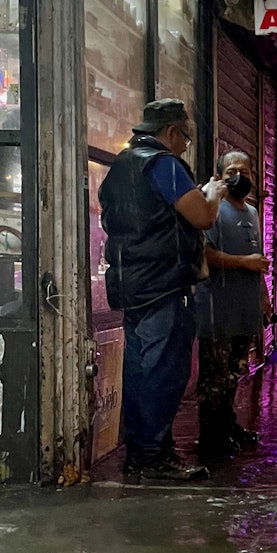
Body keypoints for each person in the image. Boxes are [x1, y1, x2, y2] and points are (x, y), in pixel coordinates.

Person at [99, 98, 227, 481]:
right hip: (163, 285)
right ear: (170, 132)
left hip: (133, 285)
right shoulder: (163, 164)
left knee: (141, 370)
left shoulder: (122, 164)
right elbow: (202, 217)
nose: (185, 145)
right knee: (163, 374)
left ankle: (145, 452)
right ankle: (151, 457)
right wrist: (214, 193)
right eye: (184, 138)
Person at [194, 149, 271, 459]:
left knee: (234, 374)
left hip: (245, 311)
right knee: (214, 379)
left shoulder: (251, 212)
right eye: (231, 172)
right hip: (218, 311)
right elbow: (205, 255)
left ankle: (227, 426)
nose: (239, 177)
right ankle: (211, 437)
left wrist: (264, 299)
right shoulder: (211, 210)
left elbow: (259, 262)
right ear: (219, 176)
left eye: (245, 171)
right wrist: (244, 263)